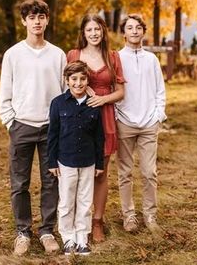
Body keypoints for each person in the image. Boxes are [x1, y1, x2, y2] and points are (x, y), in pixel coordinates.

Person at [0, 0, 66, 257]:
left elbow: (63, 92)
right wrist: (10, 121)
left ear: (47, 20)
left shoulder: (57, 54)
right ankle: (23, 232)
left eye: (41, 17)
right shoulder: (13, 54)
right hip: (22, 126)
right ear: (24, 21)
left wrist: (59, 124)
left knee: (51, 182)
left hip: (50, 128)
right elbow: (5, 91)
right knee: (20, 183)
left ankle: (47, 230)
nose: (36, 22)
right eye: (31, 17)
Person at [66, 14, 125, 243]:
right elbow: (67, 84)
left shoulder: (112, 57)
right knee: (78, 172)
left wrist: (103, 99)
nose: (94, 33)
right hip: (79, 118)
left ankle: (97, 222)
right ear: (83, 32)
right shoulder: (73, 55)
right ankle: (76, 220)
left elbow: (120, 92)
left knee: (100, 172)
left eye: (97, 29)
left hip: (105, 116)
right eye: (89, 29)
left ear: (103, 31)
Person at [115, 14, 166, 234]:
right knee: (125, 173)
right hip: (124, 122)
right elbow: (112, 89)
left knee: (148, 172)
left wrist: (158, 116)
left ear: (143, 31)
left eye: (138, 27)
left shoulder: (151, 60)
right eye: (129, 28)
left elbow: (160, 90)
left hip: (148, 124)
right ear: (123, 32)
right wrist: (118, 116)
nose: (134, 31)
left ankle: (150, 214)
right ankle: (129, 216)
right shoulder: (116, 58)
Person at [47, 60, 105, 256]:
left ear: (87, 80)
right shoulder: (58, 103)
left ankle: (82, 237)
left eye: (82, 79)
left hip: (88, 162)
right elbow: (52, 134)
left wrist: (99, 163)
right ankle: (68, 237)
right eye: (74, 79)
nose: (78, 83)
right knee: (66, 201)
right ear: (67, 80)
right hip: (66, 162)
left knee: (85, 201)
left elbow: (99, 137)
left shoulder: (93, 105)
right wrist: (52, 161)